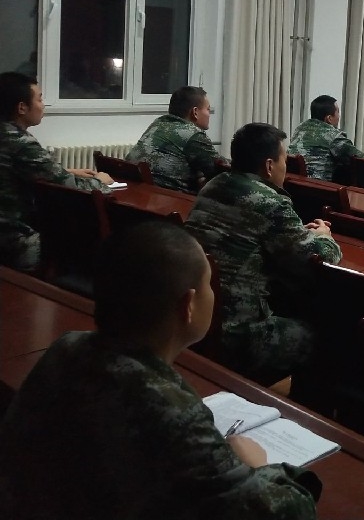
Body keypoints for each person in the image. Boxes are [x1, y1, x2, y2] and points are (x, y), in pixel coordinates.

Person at [0, 221, 320, 519]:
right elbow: (285, 511)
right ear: (188, 305)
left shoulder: (67, 348)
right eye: (209, 283)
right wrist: (258, 466)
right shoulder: (173, 414)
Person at [185, 123, 341, 384]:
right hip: (239, 334)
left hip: (198, 316)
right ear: (269, 166)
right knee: (325, 334)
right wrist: (325, 236)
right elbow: (319, 259)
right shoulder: (271, 202)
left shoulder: (214, 185)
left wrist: (295, 233)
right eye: (284, 161)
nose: (285, 168)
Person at [0, 72, 113, 272]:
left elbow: (19, 169)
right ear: (22, 107)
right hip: (15, 242)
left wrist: (68, 170)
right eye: (40, 99)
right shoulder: (20, 143)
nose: (43, 105)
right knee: (97, 236)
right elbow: (71, 186)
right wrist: (100, 181)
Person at [127, 85, 222, 193]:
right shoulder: (194, 134)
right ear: (195, 112)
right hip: (167, 197)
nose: (209, 114)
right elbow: (221, 169)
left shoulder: (159, 123)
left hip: (137, 190)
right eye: (208, 109)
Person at [289, 95, 364, 183]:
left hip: (293, 183)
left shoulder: (300, 128)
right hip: (317, 186)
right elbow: (359, 160)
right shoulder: (333, 135)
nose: (339, 116)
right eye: (338, 112)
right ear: (329, 118)